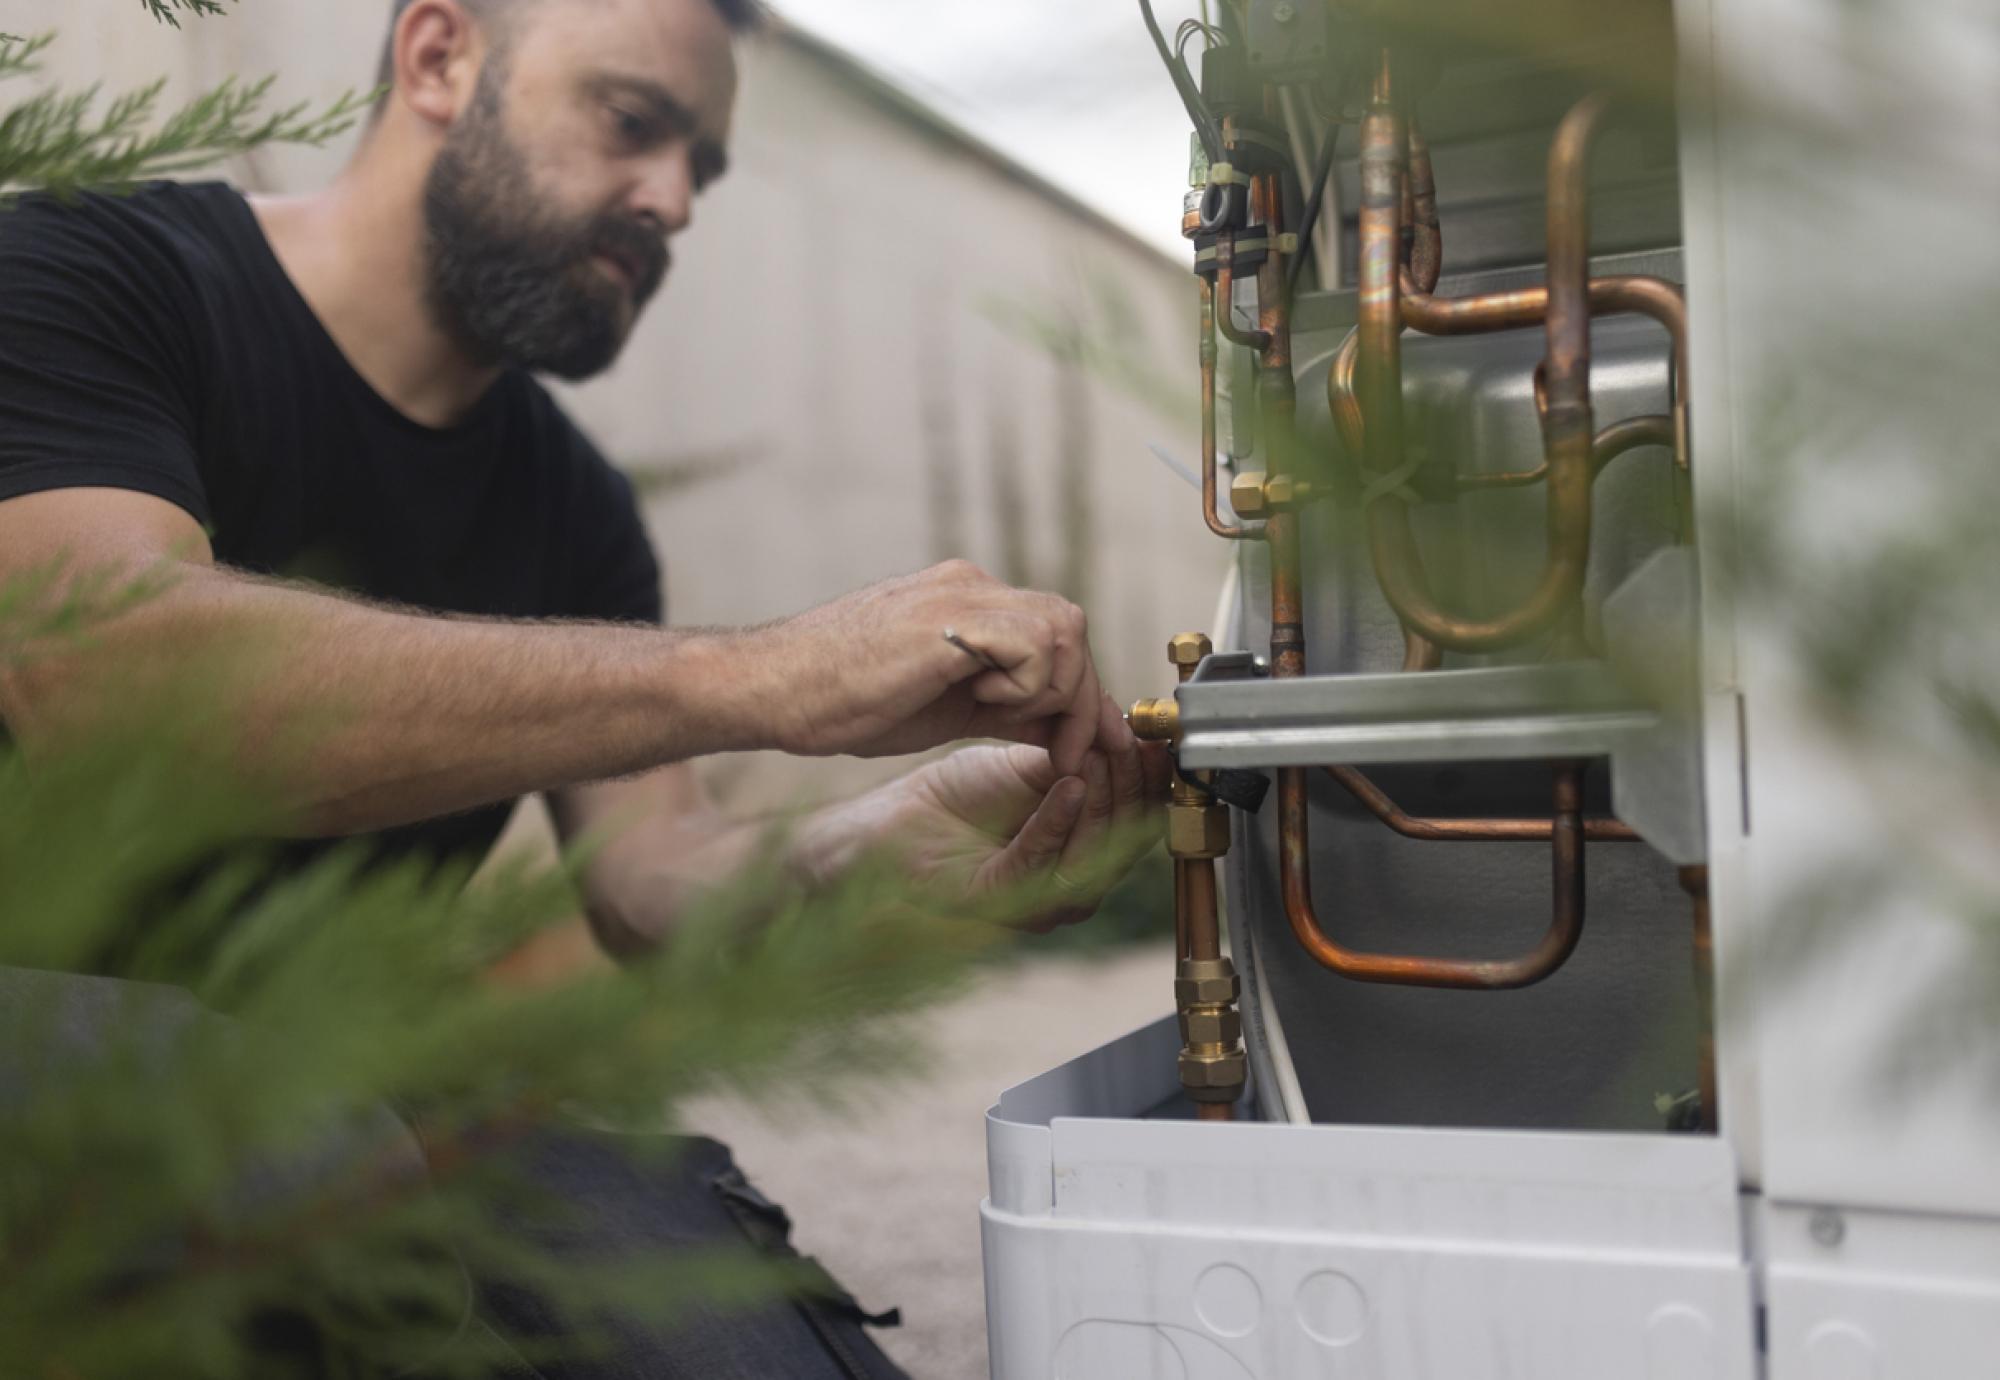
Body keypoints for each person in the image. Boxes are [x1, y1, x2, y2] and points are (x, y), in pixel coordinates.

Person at [0, 1, 1164, 1374]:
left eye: (701, 169)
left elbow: (650, 875)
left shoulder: (571, 504)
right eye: (631, 123)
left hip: (323, 1087)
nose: (671, 201)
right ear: (440, 59)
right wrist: (759, 674)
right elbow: (99, 672)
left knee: (714, 1302)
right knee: (276, 1149)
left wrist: (876, 846)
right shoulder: (84, 269)